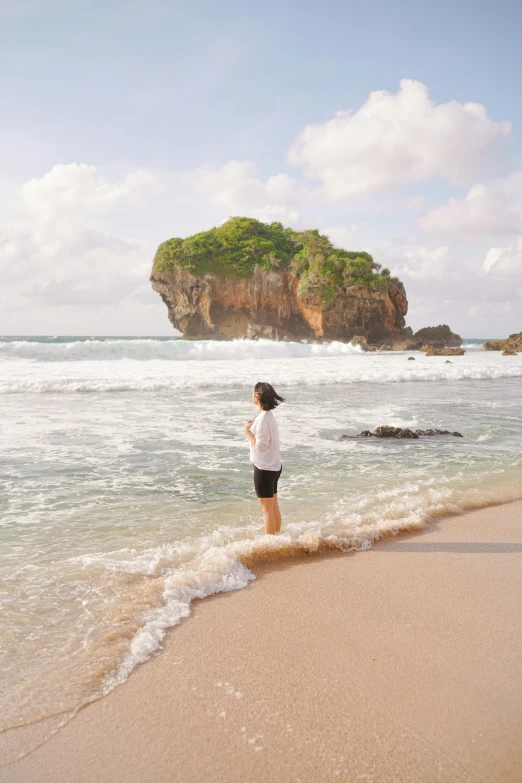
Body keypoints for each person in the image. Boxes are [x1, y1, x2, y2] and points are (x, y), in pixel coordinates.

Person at [244, 382, 284, 535]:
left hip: (264, 469)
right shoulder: (268, 416)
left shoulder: (263, 419)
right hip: (274, 466)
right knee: (273, 506)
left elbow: (260, 445)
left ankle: (271, 543)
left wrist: (247, 431)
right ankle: (278, 539)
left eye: (253, 391)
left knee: (266, 509)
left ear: (258, 396)